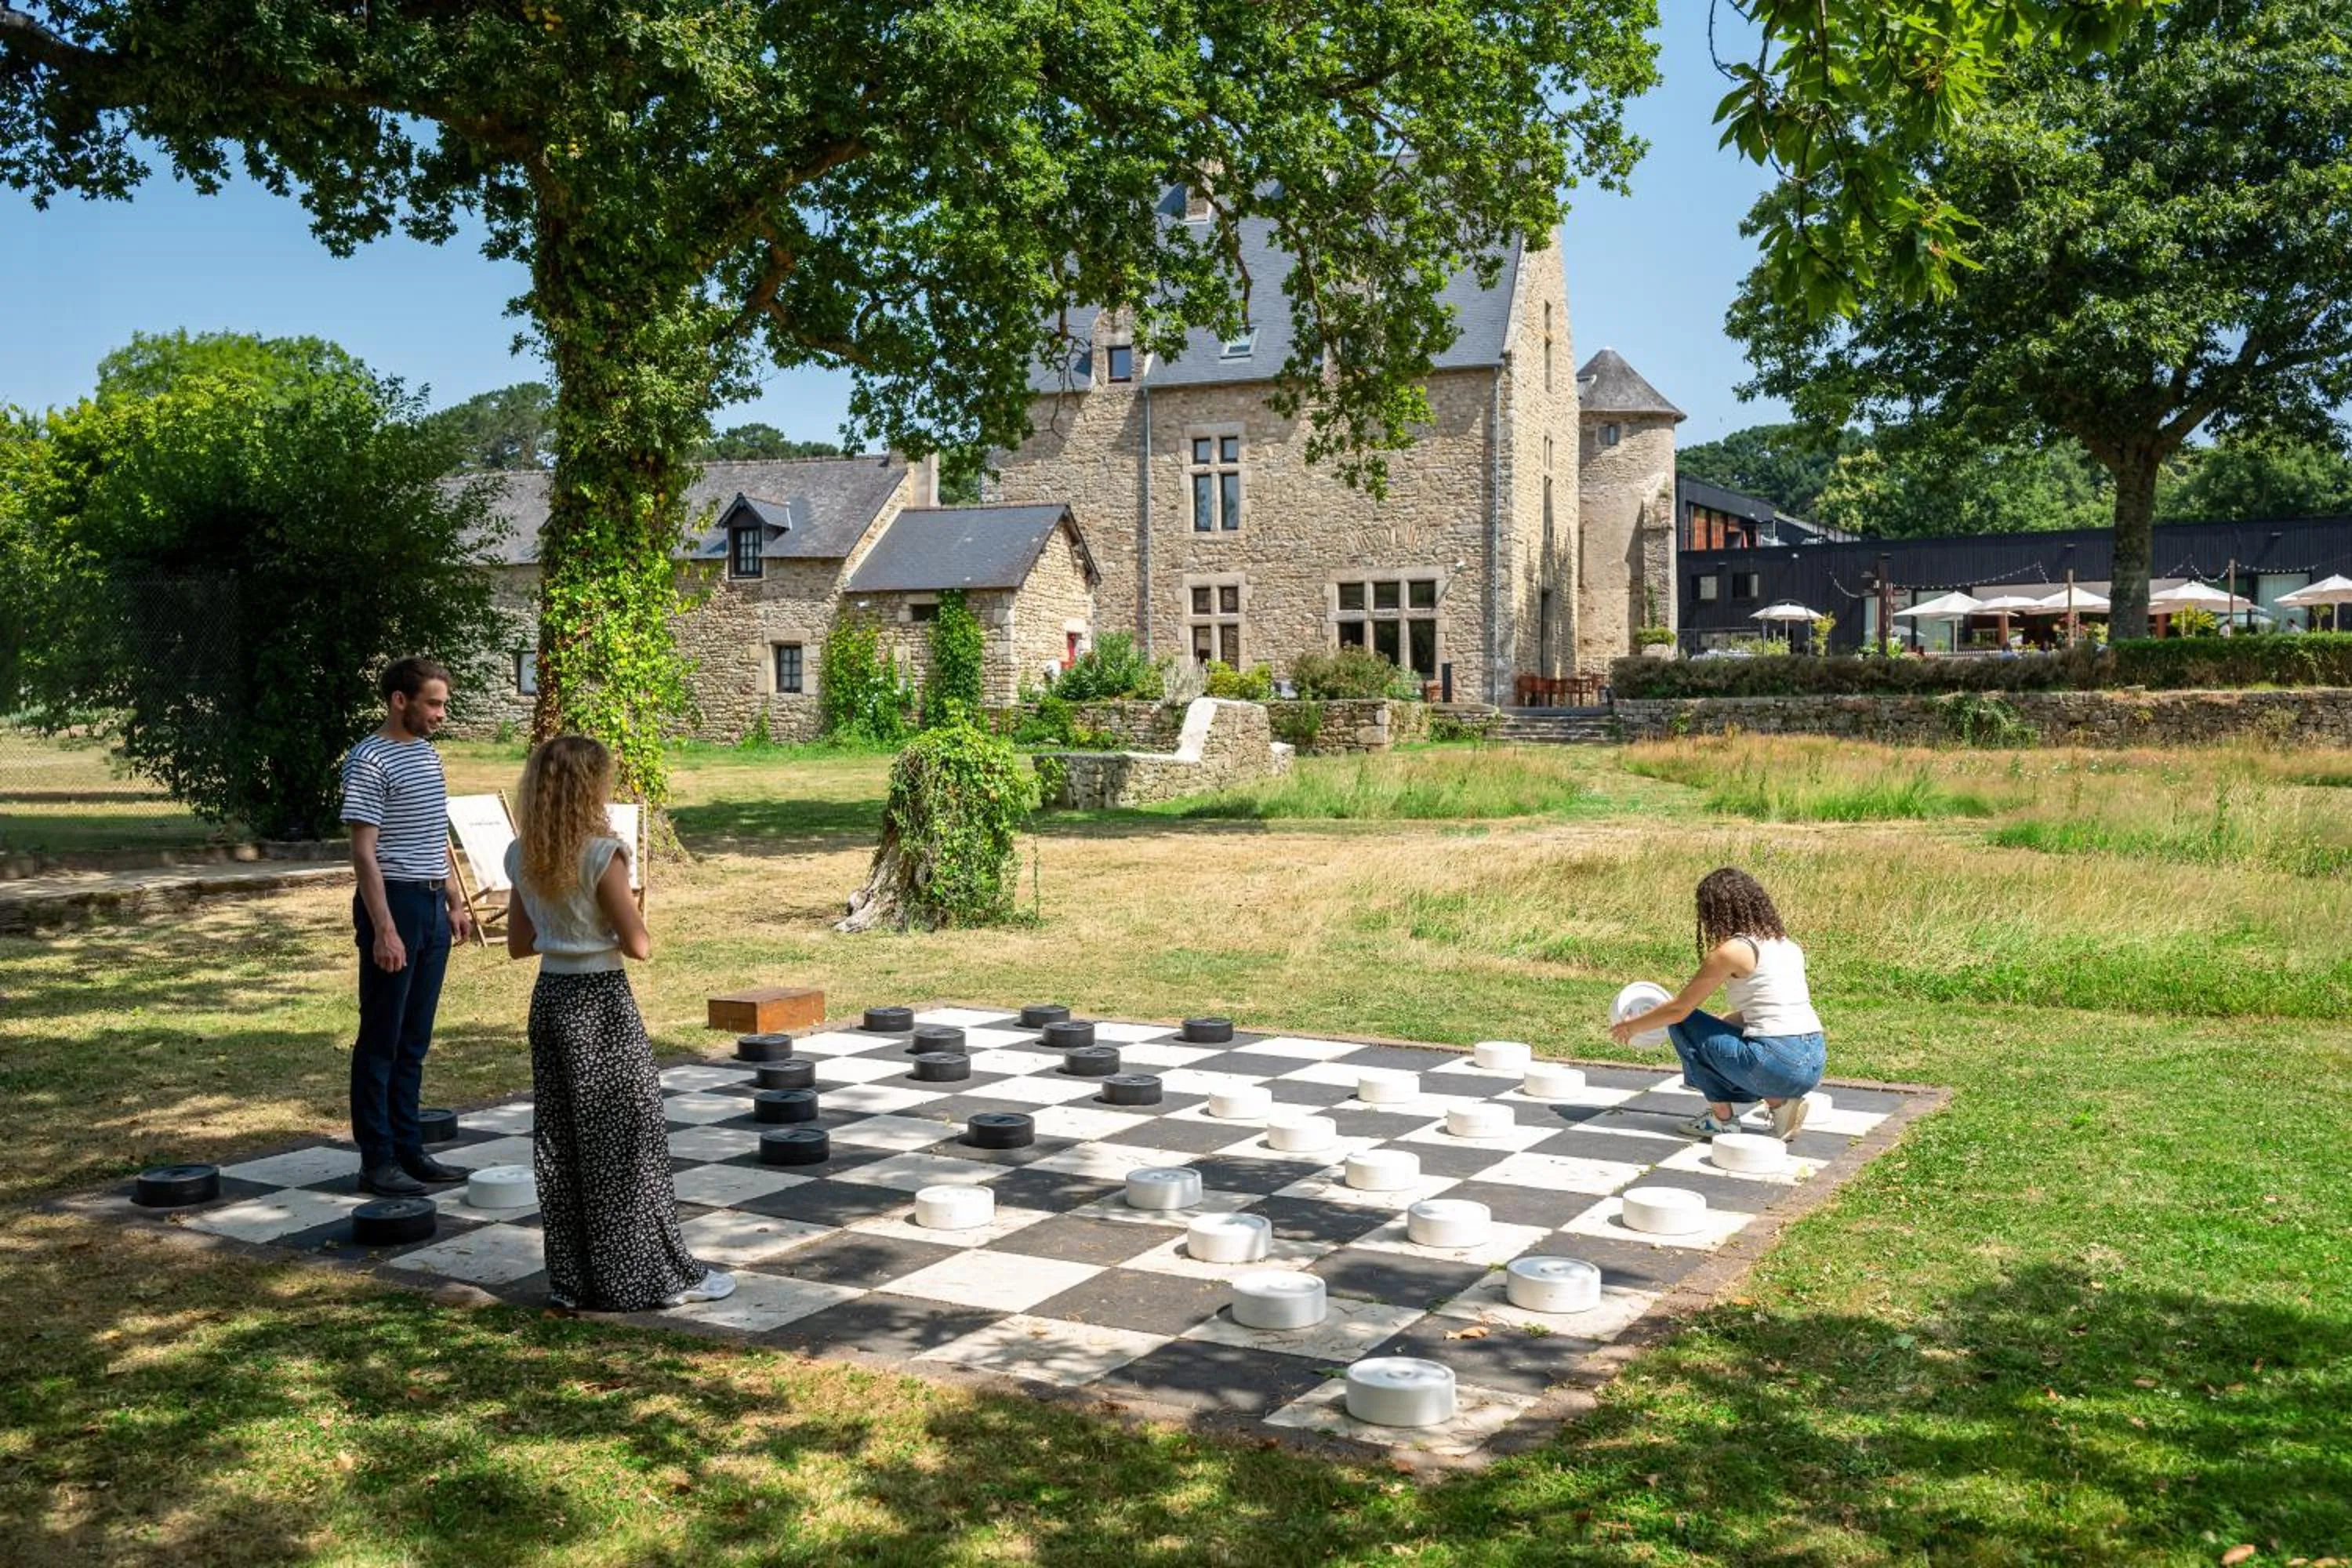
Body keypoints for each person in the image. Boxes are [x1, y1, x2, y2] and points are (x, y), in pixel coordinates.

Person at [503, 734, 731, 1311]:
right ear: (589, 787)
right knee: (627, 1142)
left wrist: (564, 928)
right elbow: (639, 945)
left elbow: (518, 944)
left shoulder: (522, 853)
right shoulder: (602, 854)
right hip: (600, 1002)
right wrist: (612, 918)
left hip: (551, 999)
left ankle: (576, 1279)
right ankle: (646, 1279)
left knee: (562, 1143)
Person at [342, 655, 473, 1197]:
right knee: (382, 1039)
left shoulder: (426, 754)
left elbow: (433, 831)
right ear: (401, 701)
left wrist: (456, 898)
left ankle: (409, 1149)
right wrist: (385, 930)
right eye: (433, 703)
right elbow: (364, 854)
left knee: (415, 1039)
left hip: (430, 906)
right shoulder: (368, 761)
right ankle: (377, 1159)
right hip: (391, 904)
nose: (441, 714)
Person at [1609, 867, 1825, 1142]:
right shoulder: (1787, 946)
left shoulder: (1731, 951)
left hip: (1777, 1063)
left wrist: (1631, 1026)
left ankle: (1721, 1120)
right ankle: (1780, 1105)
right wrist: (1723, 1021)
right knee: (1713, 1027)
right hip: (1813, 1061)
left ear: (1714, 911)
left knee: (1681, 1022)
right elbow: (1773, 1009)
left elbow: (1679, 1010)